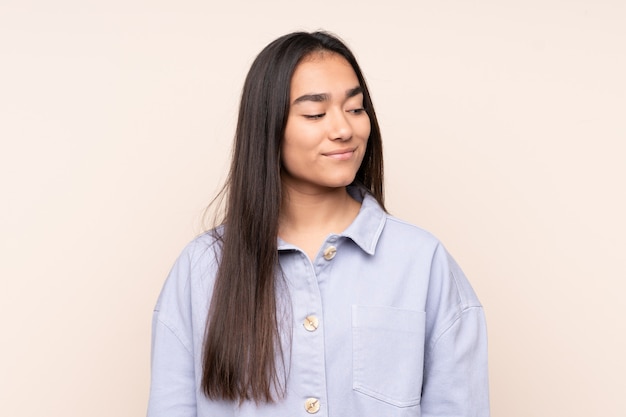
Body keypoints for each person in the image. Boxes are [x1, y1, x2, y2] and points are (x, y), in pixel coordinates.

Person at [147, 31, 490, 417]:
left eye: (356, 109)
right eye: (315, 113)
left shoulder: (422, 262)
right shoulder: (201, 269)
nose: (344, 129)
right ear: (268, 127)